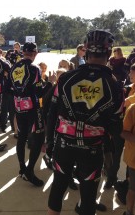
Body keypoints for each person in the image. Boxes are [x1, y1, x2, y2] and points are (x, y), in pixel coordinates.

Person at [47, 30, 124, 215]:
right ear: (108, 53)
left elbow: (51, 112)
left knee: (58, 187)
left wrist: (49, 141)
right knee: (89, 197)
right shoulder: (114, 85)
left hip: (63, 144)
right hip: (92, 149)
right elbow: (116, 126)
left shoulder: (65, 78)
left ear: (87, 51)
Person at [9, 42, 47, 186]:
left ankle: (22, 168)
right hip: (33, 108)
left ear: (23, 52)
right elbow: (39, 91)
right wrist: (50, 83)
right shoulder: (34, 68)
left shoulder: (14, 67)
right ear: (35, 53)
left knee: (22, 136)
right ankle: (29, 171)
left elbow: (8, 88)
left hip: (19, 106)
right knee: (38, 138)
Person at [121, 103, 135, 215]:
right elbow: (123, 132)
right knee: (133, 188)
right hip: (134, 160)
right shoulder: (133, 109)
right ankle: (129, 212)